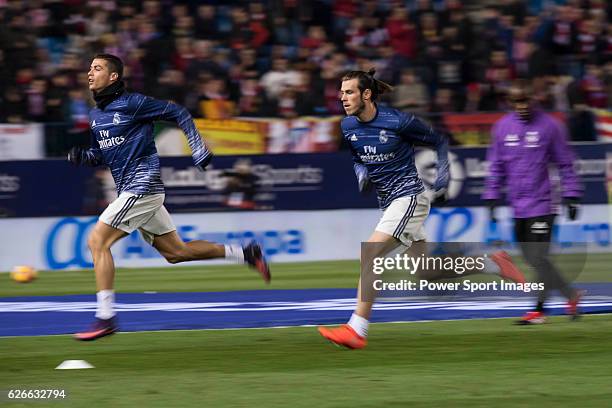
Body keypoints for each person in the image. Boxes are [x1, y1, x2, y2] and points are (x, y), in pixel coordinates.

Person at [68, 54, 271, 341]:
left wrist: (197, 147)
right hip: (133, 191)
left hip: (143, 186)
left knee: (96, 241)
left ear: (113, 77)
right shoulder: (95, 116)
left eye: (97, 68)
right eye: (89, 68)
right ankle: (246, 254)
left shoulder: (133, 102)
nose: (89, 73)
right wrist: (83, 157)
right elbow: (100, 155)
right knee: (177, 253)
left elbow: (178, 112)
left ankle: (105, 317)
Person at [318, 69, 525, 349]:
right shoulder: (348, 127)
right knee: (426, 272)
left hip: (409, 198)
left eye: (349, 92)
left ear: (366, 94)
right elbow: (357, 158)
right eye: (341, 92)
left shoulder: (398, 121)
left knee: (370, 253)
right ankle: (493, 263)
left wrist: (443, 173)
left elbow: (438, 141)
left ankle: (357, 329)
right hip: (390, 204)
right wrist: (360, 174)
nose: (342, 98)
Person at [483, 79, 583, 325]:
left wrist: (572, 195)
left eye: (526, 100)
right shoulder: (502, 128)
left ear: (535, 99)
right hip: (518, 206)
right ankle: (571, 295)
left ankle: (539, 311)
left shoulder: (551, 126)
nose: (522, 105)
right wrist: (492, 196)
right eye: (517, 101)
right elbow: (495, 166)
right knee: (532, 259)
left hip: (544, 203)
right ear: (510, 102)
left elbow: (565, 163)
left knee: (538, 258)